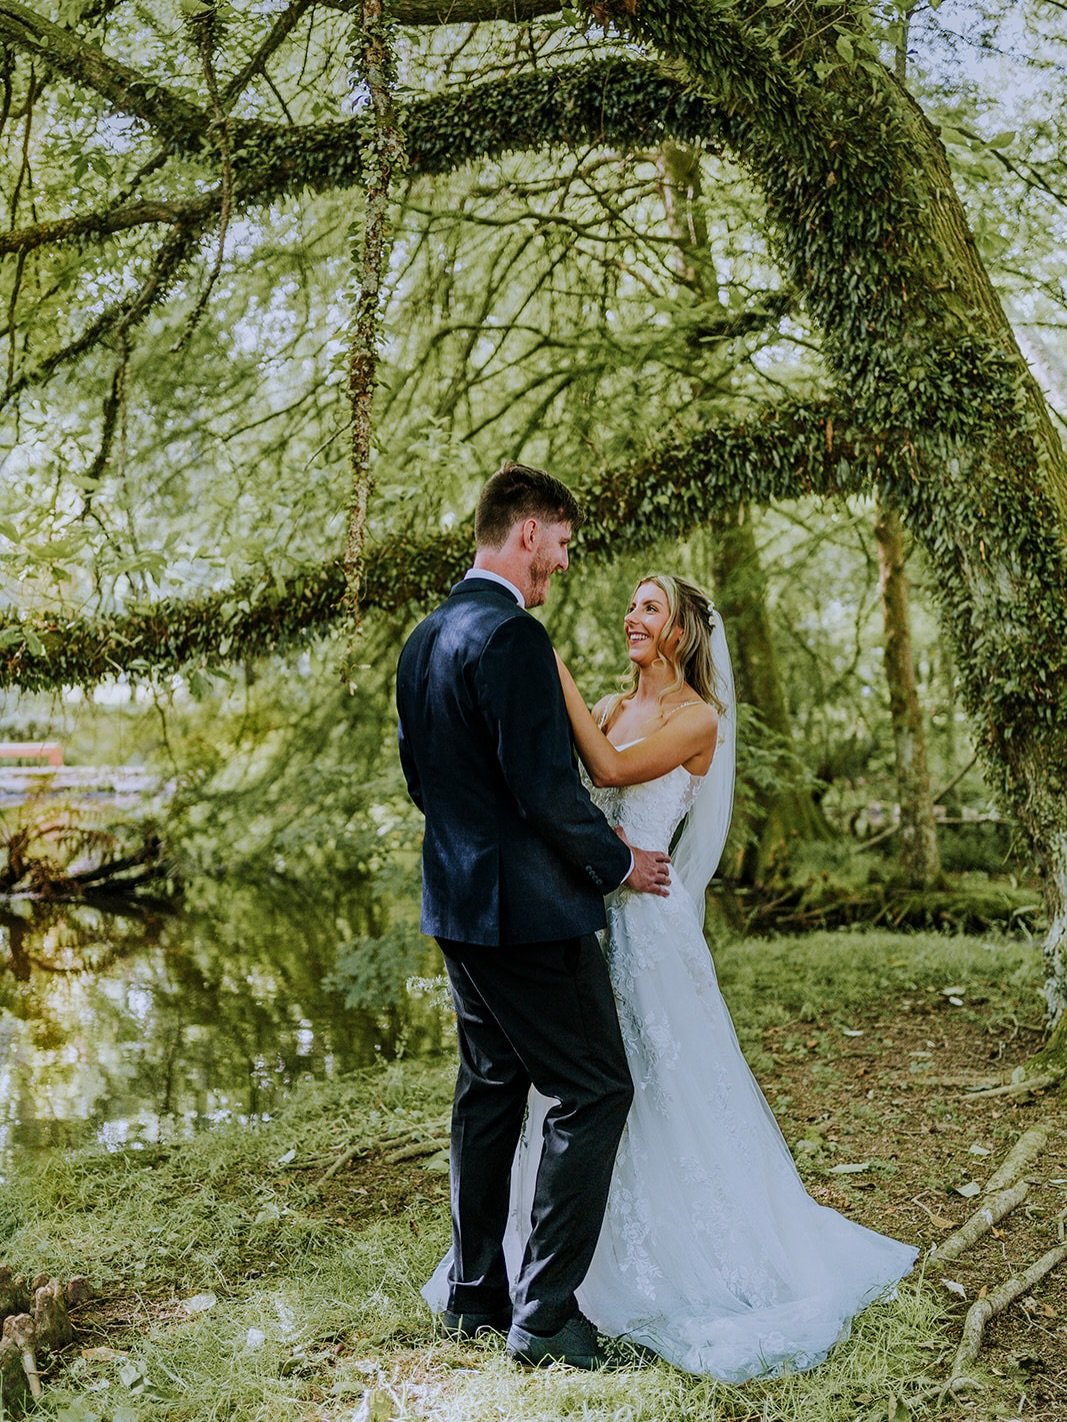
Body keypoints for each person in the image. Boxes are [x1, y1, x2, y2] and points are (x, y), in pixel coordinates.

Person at [425, 571, 917, 1379]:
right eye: (631, 604)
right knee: (582, 1082)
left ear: (680, 632)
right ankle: (559, 1261)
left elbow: (609, 773)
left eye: (648, 607)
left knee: (656, 1077)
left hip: (648, 922)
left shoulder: (697, 718)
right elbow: (567, 785)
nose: (632, 616)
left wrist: (551, 668)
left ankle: (672, 1249)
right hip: (587, 911)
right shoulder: (612, 706)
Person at [395, 462, 672, 1372]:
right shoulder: (512, 636)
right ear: (527, 532)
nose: (562, 560)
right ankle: (545, 1318)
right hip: (528, 916)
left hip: (457, 906)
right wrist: (617, 863)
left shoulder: (424, 638)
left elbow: (422, 780)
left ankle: (475, 1296)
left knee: (489, 1090)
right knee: (594, 1090)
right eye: (560, 542)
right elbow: (546, 789)